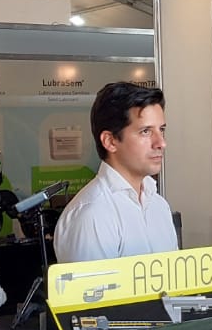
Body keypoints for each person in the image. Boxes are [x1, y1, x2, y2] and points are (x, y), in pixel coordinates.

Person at [52, 82, 179, 263]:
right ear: (110, 141)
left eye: (162, 130)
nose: (161, 143)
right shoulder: (92, 215)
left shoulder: (159, 206)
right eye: (145, 131)